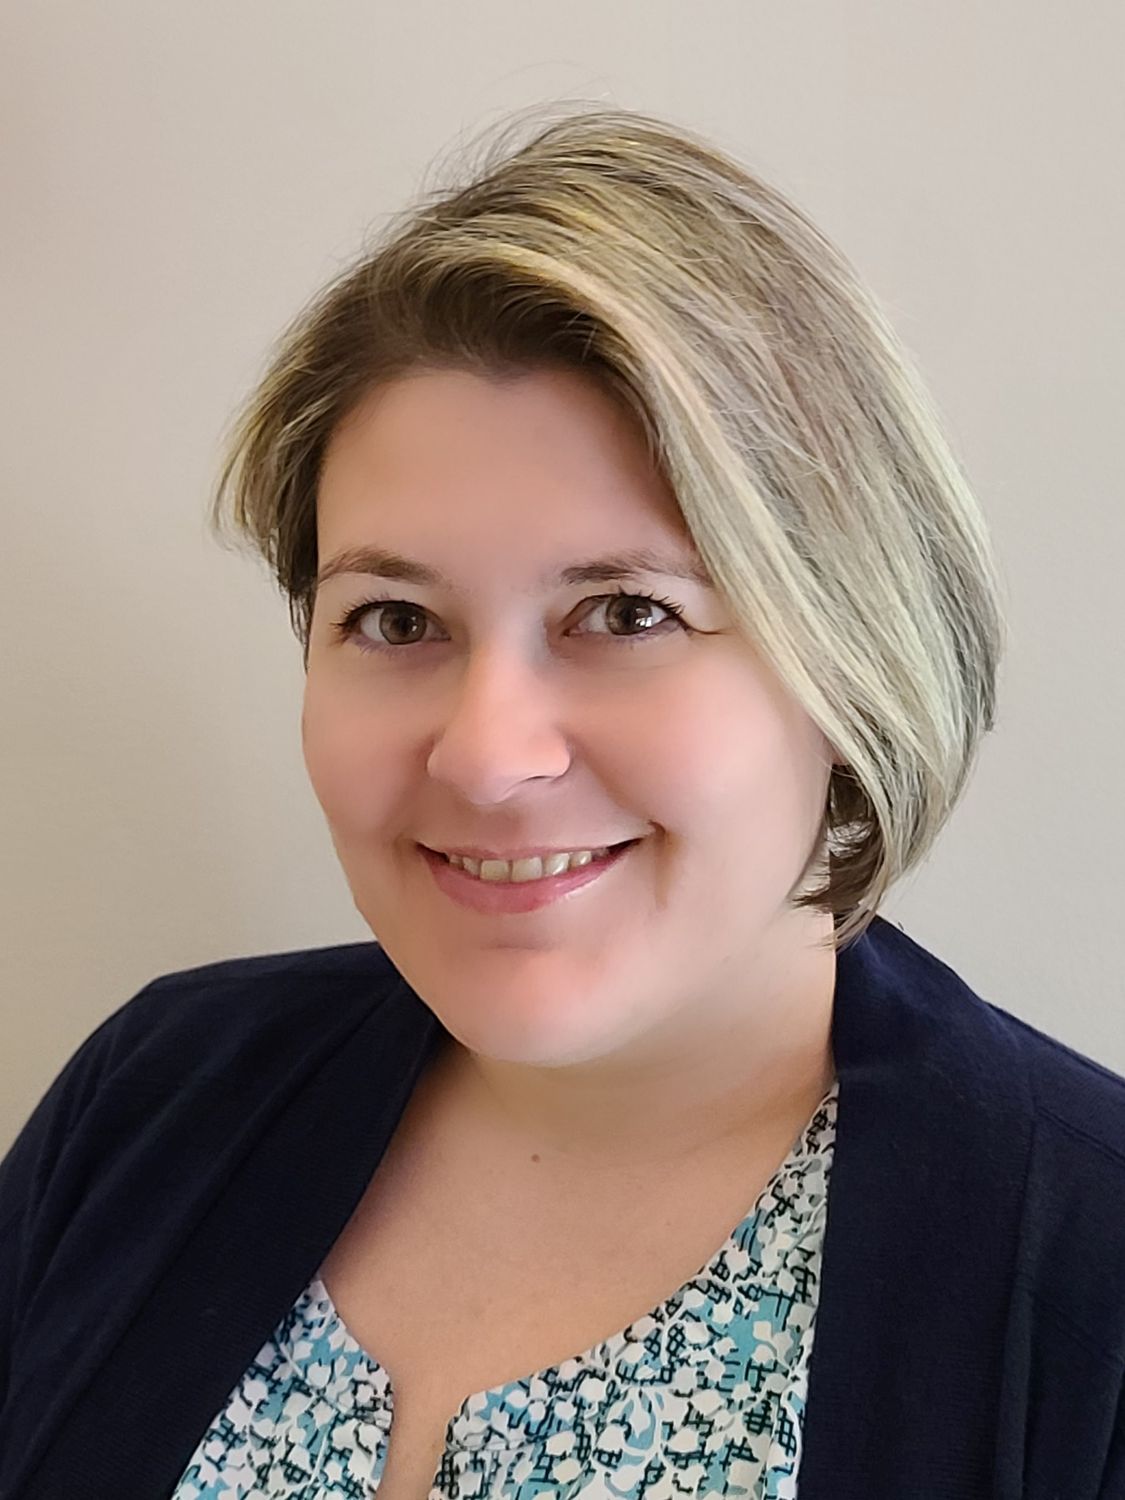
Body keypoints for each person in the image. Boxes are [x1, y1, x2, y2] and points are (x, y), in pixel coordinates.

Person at [1, 104, 1123, 1500]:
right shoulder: (153, 1098)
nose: (485, 756)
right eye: (395, 619)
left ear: (852, 656)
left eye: (627, 611)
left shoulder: (1091, 1276)